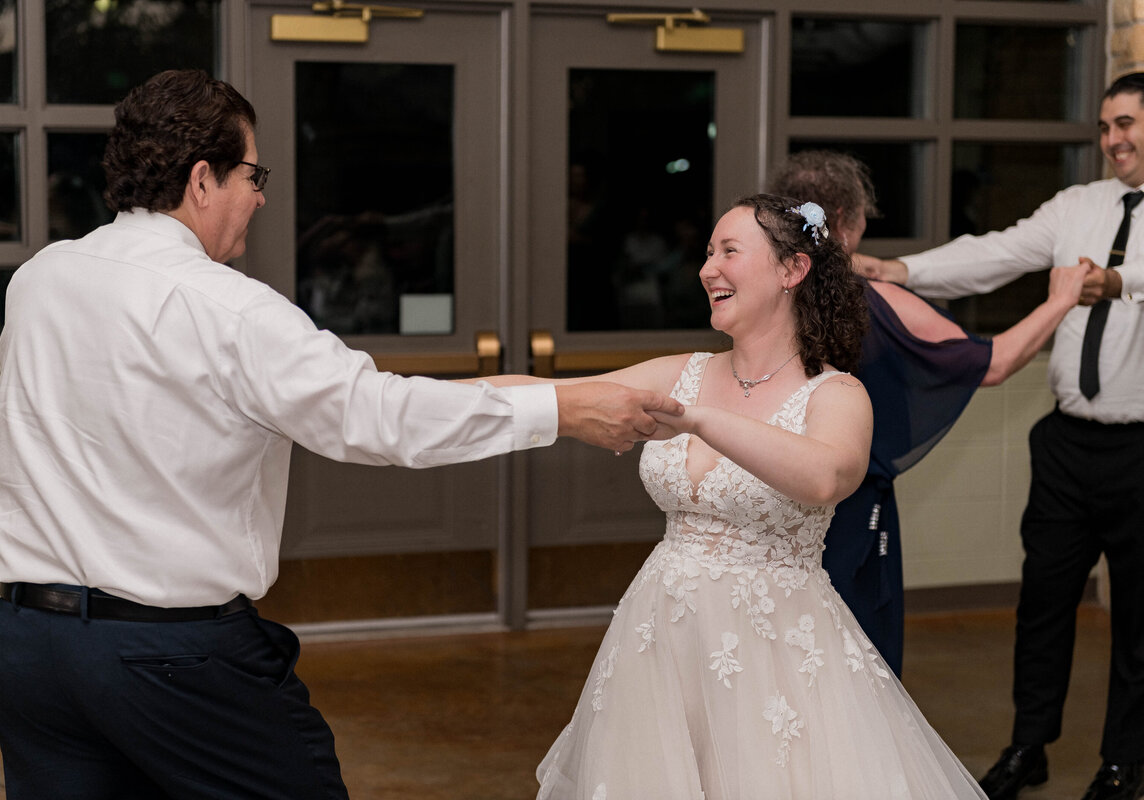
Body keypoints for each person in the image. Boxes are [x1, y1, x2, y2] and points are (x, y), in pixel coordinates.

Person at [0, 69, 682, 800]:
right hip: (171, 656)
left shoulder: (41, 279)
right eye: (253, 174)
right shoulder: (231, 311)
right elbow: (379, 418)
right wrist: (563, 414)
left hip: (30, 648)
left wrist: (561, 392)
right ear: (200, 180)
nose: (260, 195)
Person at [471, 194, 988, 798]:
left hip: (778, 651)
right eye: (708, 252)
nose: (707, 268)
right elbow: (554, 393)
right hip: (662, 634)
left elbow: (827, 476)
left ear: (792, 271)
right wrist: (410, 397)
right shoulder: (682, 371)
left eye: (729, 252)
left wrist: (700, 421)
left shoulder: (837, 394)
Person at [855, 72, 1144, 800]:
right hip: (1066, 445)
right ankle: (1029, 745)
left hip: (1143, 453)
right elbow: (998, 252)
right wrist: (901, 270)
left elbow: (1127, 280)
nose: (1113, 140)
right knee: (1042, 601)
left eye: (1128, 125)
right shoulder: (1081, 205)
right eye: (1106, 126)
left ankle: (1124, 762)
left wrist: (1118, 284)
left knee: (1139, 617)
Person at [768, 150, 1088, 677]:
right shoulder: (870, 301)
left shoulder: (772, 297)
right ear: (847, 220)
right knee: (852, 659)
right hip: (847, 507)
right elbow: (994, 362)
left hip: (776, 497)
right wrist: (1061, 300)